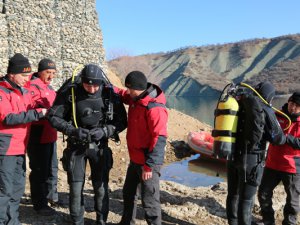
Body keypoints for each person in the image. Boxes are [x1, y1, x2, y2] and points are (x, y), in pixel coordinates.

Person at [47, 64, 127, 225]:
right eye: (87, 85)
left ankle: (101, 221)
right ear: (81, 81)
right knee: (76, 188)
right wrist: (72, 130)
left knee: (101, 187)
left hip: (100, 146)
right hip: (76, 146)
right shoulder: (70, 92)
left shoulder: (108, 93)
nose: (91, 89)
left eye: (95, 85)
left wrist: (105, 131)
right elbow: (53, 117)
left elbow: (122, 121)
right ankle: (77, 221)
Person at [226, 81, 287, 225]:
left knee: (233, 194)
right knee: (246, 200)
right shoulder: (265, 109)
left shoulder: (239, 103)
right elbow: (278, 138)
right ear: (270, 96)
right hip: (252, 160)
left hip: (232, 156)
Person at [113, 71, 168, 225]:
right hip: (135, 159)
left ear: (140, 88)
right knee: (128, 192)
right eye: (128, 89)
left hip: (148, 162)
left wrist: (149, 167)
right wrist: (111, 88)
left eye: (131, 90)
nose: (129, 92)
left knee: (149, 200)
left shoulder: (154, 108)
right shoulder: (135, 98)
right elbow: (123, 94)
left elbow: (160, 139)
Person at [0, 53, 47, 224]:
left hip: (20, 147)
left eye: (29, 75)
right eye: (24, 75)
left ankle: (12, 220)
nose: (27, 78)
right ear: (12, 74)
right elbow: (7, 118)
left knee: (18, 187)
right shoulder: (2, 91)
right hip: (5, 149)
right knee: (4, 189)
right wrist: (36, 114)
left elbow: (34, 105)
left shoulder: (23, 91)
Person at [257, 92, 300, 225]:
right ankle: (268, 220)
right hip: (272, 163)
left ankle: (290, 222)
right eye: (292, 104)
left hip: (292, 166)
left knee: (293, 200)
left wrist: (285, 138)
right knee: (263, 194)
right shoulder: (276, 115)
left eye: (297, 106)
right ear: (288, 101)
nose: (293, 107)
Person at [27, 58, 59, 215]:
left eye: (53, 73)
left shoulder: (49, 87)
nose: (51, 76)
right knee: (40, 170)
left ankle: (50, 196)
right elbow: (31, 108)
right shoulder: (32, 87)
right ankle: (39, 204)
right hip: (38, 134)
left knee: (51, 168)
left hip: (51, 134)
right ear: (40, 71)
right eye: (48, 72)